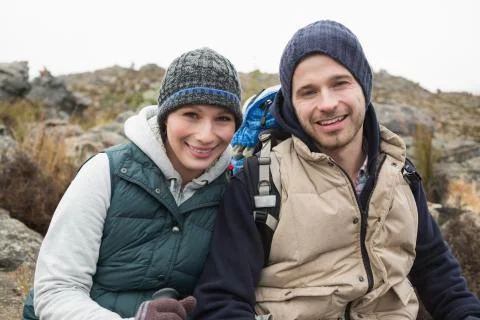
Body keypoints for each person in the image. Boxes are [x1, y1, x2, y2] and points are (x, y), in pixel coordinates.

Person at [193, 20, 480, 319]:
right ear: (290, 103)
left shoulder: (400, 173)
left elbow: (438, 272)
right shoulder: (259, 181)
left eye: (340, 83)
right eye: (308, 92)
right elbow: (222, 301)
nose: (327, 103)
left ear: (363, 85)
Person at [22, 47, 242, 320]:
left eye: (222, 118)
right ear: (166, 117)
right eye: (191, 115)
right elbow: (56, 290)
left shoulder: (231, 190)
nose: (206, 135)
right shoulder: (106, 172)